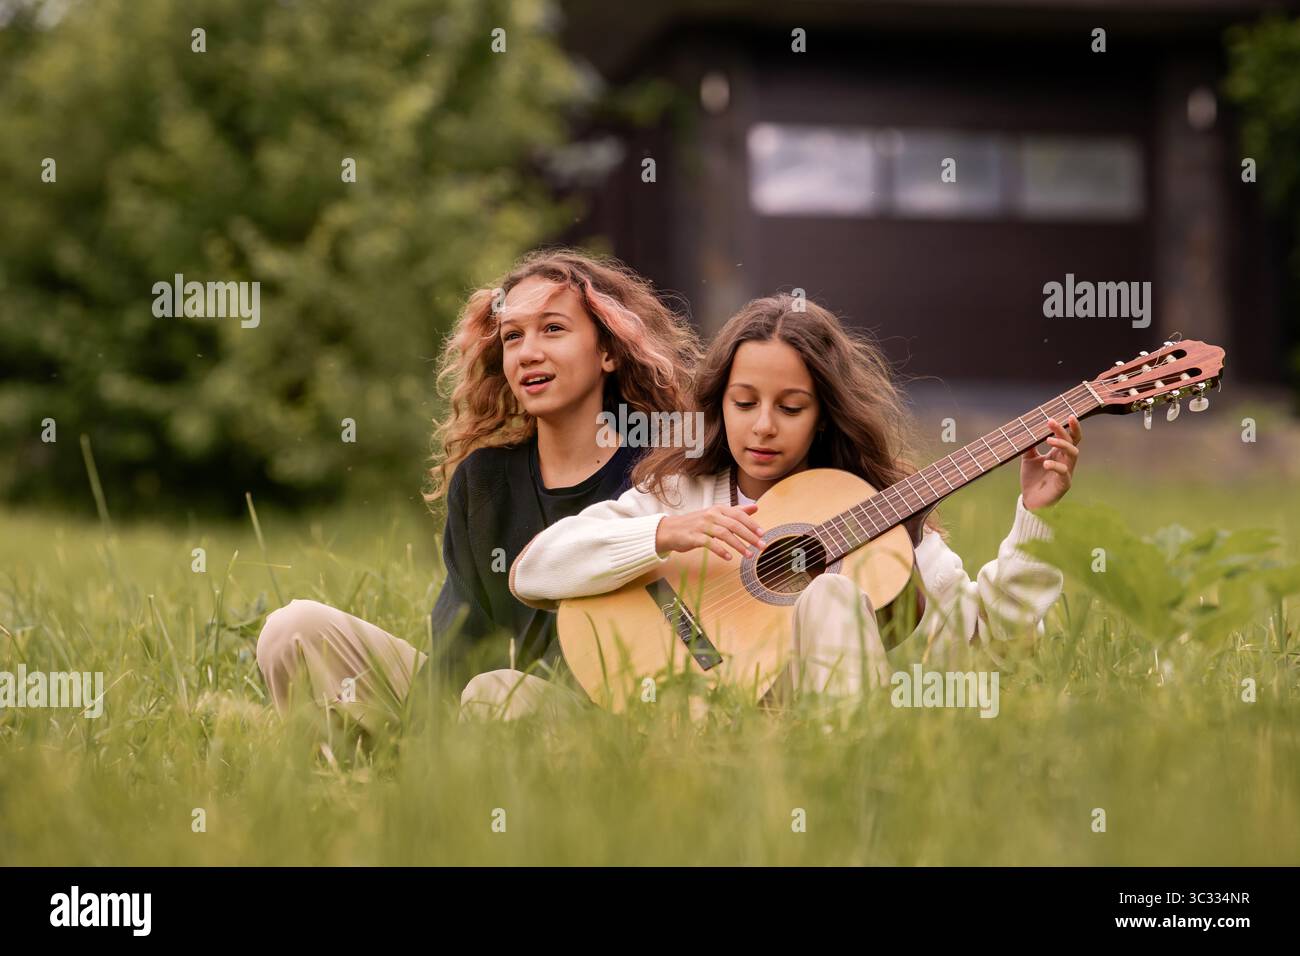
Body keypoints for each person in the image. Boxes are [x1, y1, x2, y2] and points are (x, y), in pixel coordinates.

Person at [485, 293, 1081, 716]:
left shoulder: (882, 522)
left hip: (791, 743)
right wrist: (662, 534)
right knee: (491, 694)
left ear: (824, 416)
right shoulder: (681, 494)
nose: (763, 427)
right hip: (651, 724)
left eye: (791, 408)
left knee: (829, 592)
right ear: (720, 405)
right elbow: (536, 570)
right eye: (744, 404)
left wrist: (1037, 514)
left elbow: (987, 645)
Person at [254, 250, 700, 732]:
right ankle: (354, 781)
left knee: (497, 694)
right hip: (469, 708)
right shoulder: (484, 479)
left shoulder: (661, 470)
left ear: (607, 352)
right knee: (294, 629)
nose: (528, 351)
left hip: (596, 725)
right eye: (513, 336)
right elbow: (456, 647)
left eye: (553, 329)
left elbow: (691, 631)